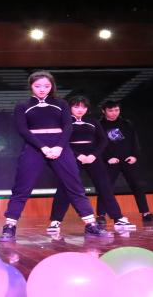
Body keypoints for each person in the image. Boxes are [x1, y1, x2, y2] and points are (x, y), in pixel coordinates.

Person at [0, 72, 112, 241]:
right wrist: (43, 147)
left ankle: (91, 224)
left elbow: (68, 126)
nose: (42, 89)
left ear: (52, 86)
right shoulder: (23, 105)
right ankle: (9, 226)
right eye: (38, 86)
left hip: (60, 147)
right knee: (22, 187)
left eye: (46, 86)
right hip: (35, 147)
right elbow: (22, 129)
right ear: (31, 86)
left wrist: (59, 147)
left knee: (74, 186)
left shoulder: (61, 103)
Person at [46, 96, 135, 233]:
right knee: (65, 187)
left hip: (93, 157)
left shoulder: (92, 121)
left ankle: (118, 218)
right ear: (70, 108)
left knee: (105, 187)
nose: (80, 110)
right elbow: (61, 141)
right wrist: (78, 155)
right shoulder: (64, 121)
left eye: (83, 107)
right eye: (76, 107)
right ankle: (55, 221)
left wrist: (94, 155)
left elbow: (103, 140)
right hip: (71, 156)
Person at [96, 100, 153, 224]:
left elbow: (134, 141)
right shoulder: (99, 125)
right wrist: (107, 158)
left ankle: (146, 214)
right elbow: (97, 144)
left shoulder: (126, 123)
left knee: (137, 186)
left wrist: (134, 156)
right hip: (110, 162)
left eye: (116, 110)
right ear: (103, 111)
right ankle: (101, 216)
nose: (114, 113)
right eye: (110, 110)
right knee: (105, 187)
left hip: (128, 160)